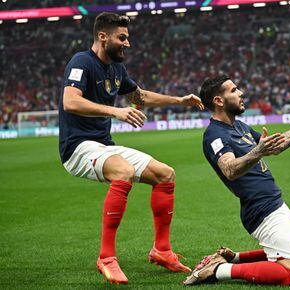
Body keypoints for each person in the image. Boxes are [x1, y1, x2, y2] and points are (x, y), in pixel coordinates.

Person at [58, 12, 204, 284]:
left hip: (102, 146)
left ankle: (161, 250)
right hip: (76, 147)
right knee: (123, 171)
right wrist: (116, 111)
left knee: (165, 174)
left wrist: (180, 100)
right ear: (103, 36)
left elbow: (140, 97)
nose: (128, 43)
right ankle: (106, 257)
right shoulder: (82, 62)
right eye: (122, 37)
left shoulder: (116, 69)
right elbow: (71, 101)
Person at [183, 75, 290, 286]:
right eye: (233, 90)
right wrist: (257, 151)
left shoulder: (240, 127)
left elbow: (276, 146)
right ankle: (219, 270)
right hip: (261, 208)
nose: (241, 93)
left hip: (275, 202)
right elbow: (229, 169)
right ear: (218, 100)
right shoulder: (214, 135)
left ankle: (234, 258)